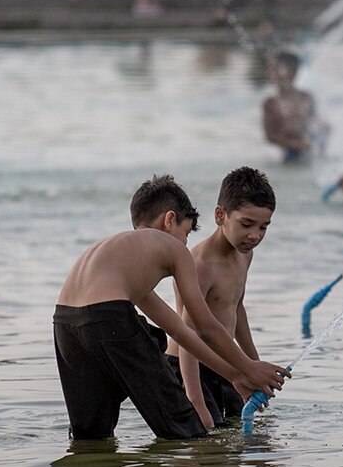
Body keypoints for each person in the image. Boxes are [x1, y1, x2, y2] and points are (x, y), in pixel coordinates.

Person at [54, 175, 290, 440]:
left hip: (64, 322)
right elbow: (204, 327)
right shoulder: (174, 250)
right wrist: (248, 368)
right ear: (169, 220)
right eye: (186, 232)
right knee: (184, 427)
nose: (186, 243)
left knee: (91, 433)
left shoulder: (121, 259)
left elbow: (178, 330)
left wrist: (234, 374)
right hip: (108, 319)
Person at [166, 167, 275, 429]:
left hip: (226, 365)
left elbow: (236, 309)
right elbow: (188, 336)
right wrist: (196, 401)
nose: (255, 235)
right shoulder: (200, 264)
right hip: (189, 368)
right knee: (205, 439)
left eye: (264, 227)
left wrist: (253, 364)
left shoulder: (244, 255)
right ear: (220, 215)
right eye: (246, 224)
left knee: (237, 438)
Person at [262, 50, 327, 163]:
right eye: (271, 70)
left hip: (309, 152)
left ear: (295, 71)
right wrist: (296, 144)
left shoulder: (306, 97)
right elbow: (270, 136)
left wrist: (324, 130)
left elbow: (315, 122)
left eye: (278, 70)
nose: (273, 74)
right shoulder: (271, 103)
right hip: (288, 157)